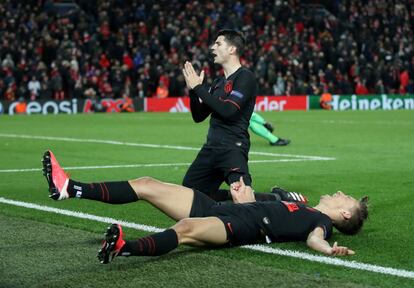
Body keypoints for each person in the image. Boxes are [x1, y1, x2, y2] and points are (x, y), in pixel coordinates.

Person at [42, 150, 369, 264]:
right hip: (224, 208)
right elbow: (265, 200)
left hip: (240, 228)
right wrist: (242, 193)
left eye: (346, 199)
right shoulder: (301, 204)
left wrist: (328, 251)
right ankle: (70, 188)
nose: (340, 192)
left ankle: (123, 248)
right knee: (147, 184)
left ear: (343, 215)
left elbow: (314, 239)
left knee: (184, 231)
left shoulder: (321, 224)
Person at [182, 29, 257, 201]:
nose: (212, 48)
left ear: (232, 49)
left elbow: (228, 111)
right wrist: (194, 91)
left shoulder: (245, 77)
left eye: (218, 43)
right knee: (190, 196)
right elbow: (199, 116)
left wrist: (199, 89)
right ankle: (264, 198)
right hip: (211, 148)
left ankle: (275, 201)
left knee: (245, 200)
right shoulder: (218, 83)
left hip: (232, 147)